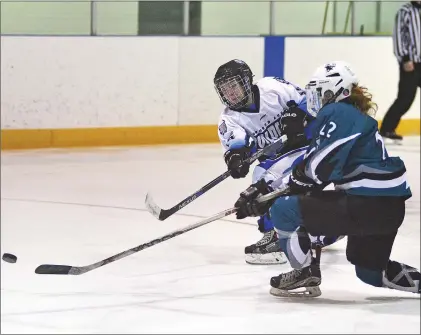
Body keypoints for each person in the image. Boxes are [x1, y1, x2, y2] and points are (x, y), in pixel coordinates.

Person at [233, 61, 420, 297]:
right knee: (370, 272)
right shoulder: (352, 115)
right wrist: (265, 188)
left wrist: (270, 196)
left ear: (337, 91)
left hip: (366, 204)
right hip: (389, 210)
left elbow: (316, 170)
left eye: (319, 91)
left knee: (284, 210)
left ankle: (304, 272)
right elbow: (313, 167)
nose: (315, 98)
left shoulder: (337, 111)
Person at [214, 59, 342, 265]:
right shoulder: (228, 120)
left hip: (309, 147)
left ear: (246, 81)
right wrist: (236, 159)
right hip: (277, 159)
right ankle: (316, 231)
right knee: (260, 180)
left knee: (268, 183)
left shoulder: (272, 87)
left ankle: (283, 235)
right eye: (224, 90)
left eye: (233, 86)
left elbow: (309, 100)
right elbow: (236, 147)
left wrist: (297, 114)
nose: (230, 94)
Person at [380, 1, 421, 143]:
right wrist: (404, 59)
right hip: (411, 63)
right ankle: (386, 130)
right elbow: (398, 36)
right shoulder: (405, 11)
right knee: (405, 99)